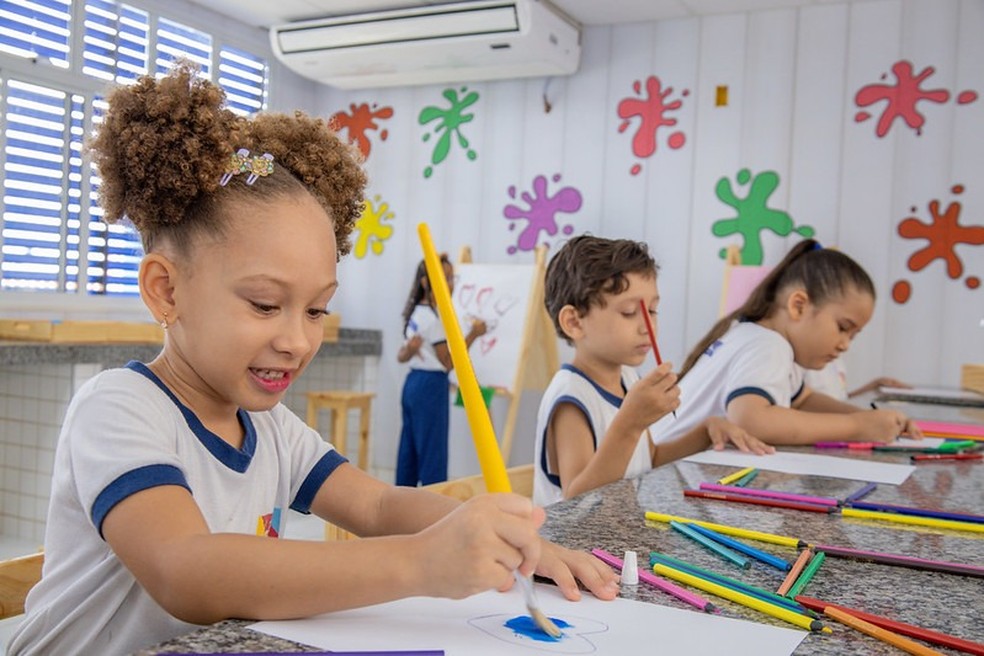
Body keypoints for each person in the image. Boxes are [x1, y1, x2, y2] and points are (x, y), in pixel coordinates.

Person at [7, 63, 617, 656]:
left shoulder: (270, 431)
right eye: (267, 304)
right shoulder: (119, 409)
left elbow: (377, 505)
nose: (298, 341)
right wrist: (420, 562)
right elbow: (185, 570)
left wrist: (503, 537)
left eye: (317, 310)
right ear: (167, 291)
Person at [533, 235, 774, 506]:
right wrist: (630, 424)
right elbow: (576, 501)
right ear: (574, 322)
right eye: (628, 312)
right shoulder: (572, 396)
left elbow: (649, 459)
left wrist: (705, 431)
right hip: (569, 545)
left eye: (652, 310)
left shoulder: (627, 378)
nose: (647, 326)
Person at [661, 239, 923, 447]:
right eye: (843, 328)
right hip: (665, 477)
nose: (845, 345)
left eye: (853, 335)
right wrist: (856, 427)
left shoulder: (765, 339)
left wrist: (870, 420)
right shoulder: (767, 345)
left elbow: (803, 400)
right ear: (798, 306)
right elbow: (751, 419)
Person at [395, 256, 487, 486]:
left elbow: (403, 355)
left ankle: (403, 503)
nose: (450, 284)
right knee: (433, 452)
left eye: (450, 277)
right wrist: (474, 334)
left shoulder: (416, 312)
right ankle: (433, 505)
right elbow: (447, 362)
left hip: (413, 384)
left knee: (410, 449)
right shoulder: (434, 319)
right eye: (444, 278)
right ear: (426, 283)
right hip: (430, 385)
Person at [802, 356, 911, 400]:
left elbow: (842, 399)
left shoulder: (837, 361)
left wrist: (875, 385)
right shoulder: (804, 363)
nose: (845, 345)